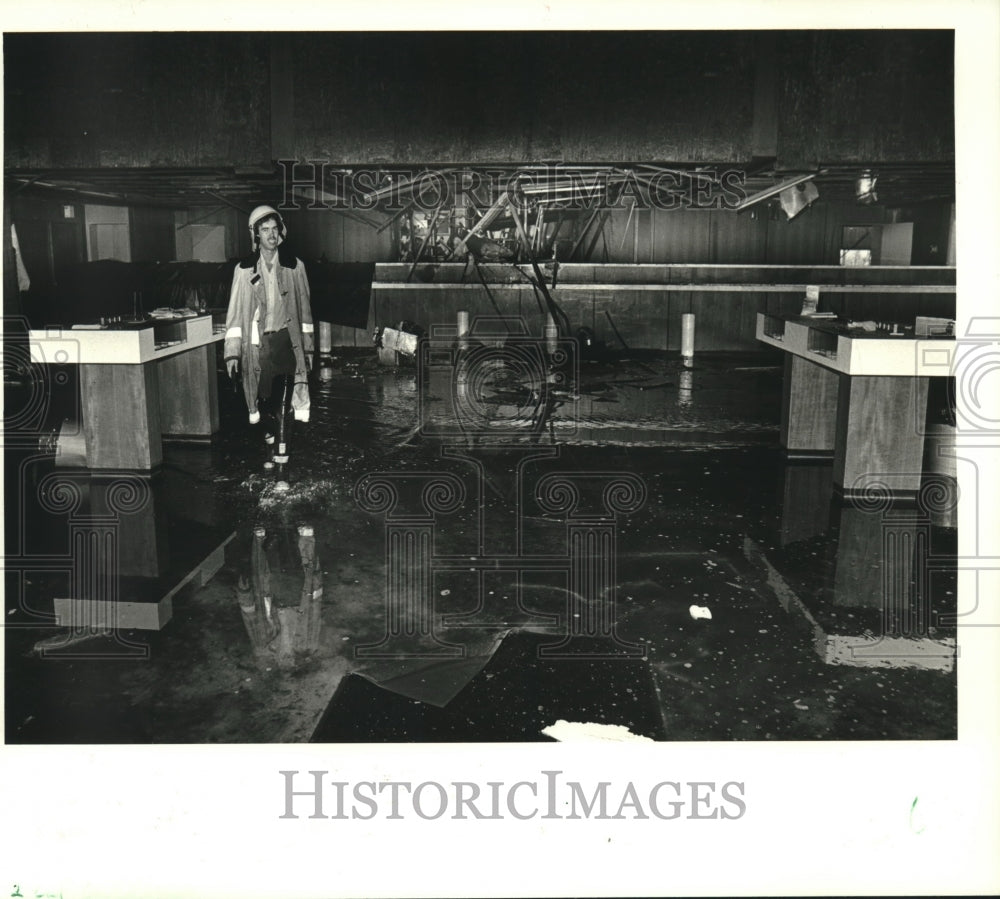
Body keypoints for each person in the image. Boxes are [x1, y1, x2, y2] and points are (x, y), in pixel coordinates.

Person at [224, 205, 313, 462]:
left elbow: (305, 313)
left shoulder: (295, 267)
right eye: (265, 230)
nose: (271, 236)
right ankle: (269, 438)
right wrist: (232, 354)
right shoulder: (243, 271)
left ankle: (282, 464)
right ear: (256, 236)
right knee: (263, 404)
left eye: (275, 229)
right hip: (258, 347)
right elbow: (234, 317)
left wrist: (307, 350)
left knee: (285, 405)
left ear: (281, 232)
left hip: (287, 342)